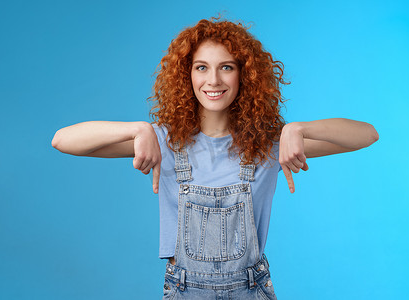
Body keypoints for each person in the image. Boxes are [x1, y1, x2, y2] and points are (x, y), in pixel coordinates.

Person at [52, 17, 378, 300]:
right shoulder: (163, 141)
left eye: (226, 67)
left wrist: (297, 128)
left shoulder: (268, 144)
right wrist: (138, 129)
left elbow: (366, 135)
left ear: (244, 76)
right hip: (184, 290)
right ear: (186, 75)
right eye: (201, 68)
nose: (214, 81)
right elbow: (63, 140)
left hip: (251, 290)